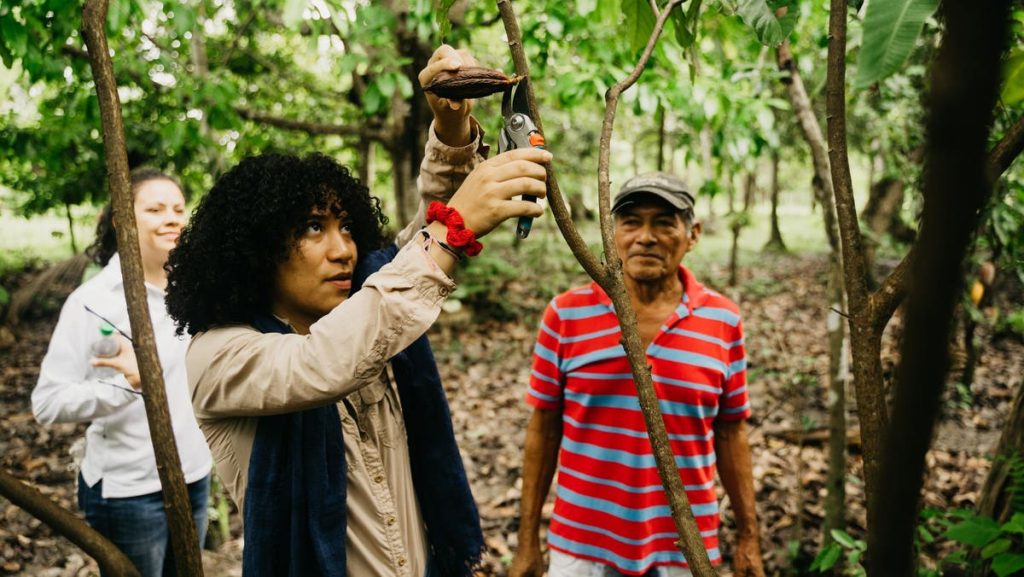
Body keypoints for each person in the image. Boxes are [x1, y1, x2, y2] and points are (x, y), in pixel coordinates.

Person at [163, 45, 550, 577]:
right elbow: (320, 363)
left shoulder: (367, 307)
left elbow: (411, 259)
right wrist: (452, 229)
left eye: (346, 226)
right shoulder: (219, 355)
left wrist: (452, 128)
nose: (342, 248)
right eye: (312, 228)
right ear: (255, 250)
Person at [510, 172, 765, 577]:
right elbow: (543, 428)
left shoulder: (722, 319)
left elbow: (731, 432)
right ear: (612, 234)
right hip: (583, 542)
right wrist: (527, 542)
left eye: (664, 222)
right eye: (631, 222)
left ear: (693, 234)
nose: (646, 236)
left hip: (686, 545)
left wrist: (749, 537)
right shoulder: (566, 314)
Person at [32, 168, 213, 577]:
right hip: (129, 492)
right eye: (155, 209)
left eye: (179, 208)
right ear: (122, 221)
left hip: (195, 474)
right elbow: (46, 403)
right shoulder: (92, 302)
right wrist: (125, 386)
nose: (172, 218)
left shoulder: (196, 290)